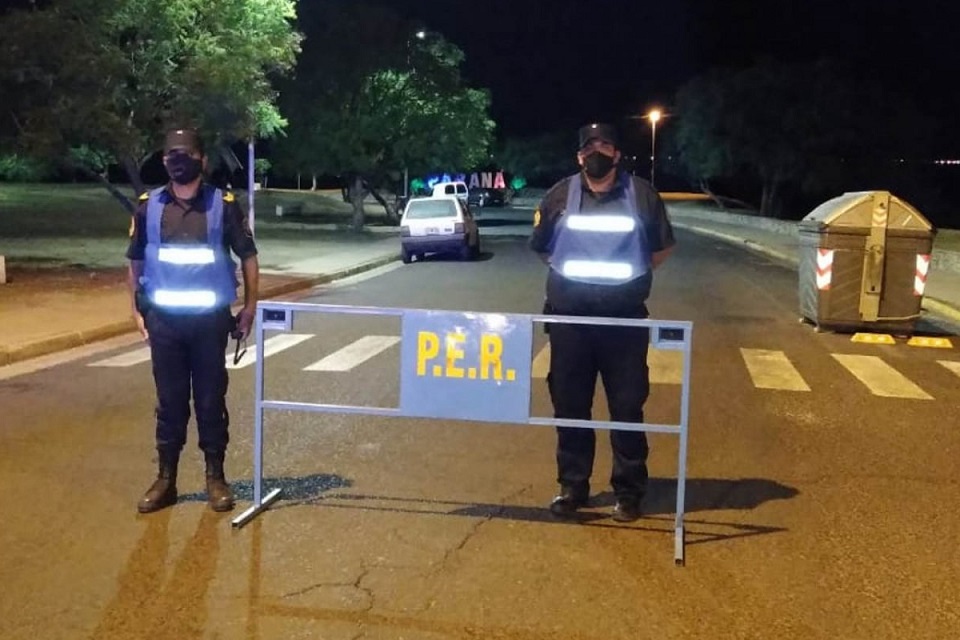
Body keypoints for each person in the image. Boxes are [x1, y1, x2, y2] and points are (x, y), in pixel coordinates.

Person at [529, 122, 675, 522]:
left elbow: (661, 249)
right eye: (589, 147)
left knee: (627, 407)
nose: (597, 153)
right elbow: (543, 248)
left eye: (604, 146)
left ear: (616, 153)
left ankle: (628, 492)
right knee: (570, 406)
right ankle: (572, 486)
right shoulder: (559, 195)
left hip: (624, 324)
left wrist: (629, 281)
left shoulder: (642, 195)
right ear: (580, 156)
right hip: (570, 323)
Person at [126, 127, 260, 514]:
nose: (178, 161)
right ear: (164, 160)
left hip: (209, 324)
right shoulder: (149, 206)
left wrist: (249, 307)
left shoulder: (223, 204)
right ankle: (165, 480)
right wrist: (136, 311)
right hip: (164, 324)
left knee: (209, 401)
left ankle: (215, 477)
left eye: (186, 155)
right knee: (169, 404)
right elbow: (135, 261)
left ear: (202, 159)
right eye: (172, 155)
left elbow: (249, 257)